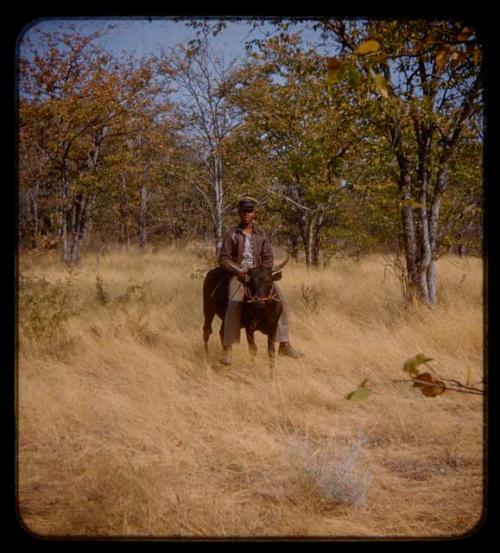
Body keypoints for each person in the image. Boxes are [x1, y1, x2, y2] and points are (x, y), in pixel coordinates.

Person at [218, 197, 303, 365]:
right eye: (244, 211)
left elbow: (268, 258)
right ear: (239, 213)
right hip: (240, 275)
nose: (247, 214)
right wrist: (239, 271)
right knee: (234, 303)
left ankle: (284, 343)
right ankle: (227, 348)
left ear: (254, 214)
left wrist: (263, 273)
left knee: (281, 301)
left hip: (259, 276)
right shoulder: (232, 234)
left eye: (250, 211)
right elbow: (224, 259)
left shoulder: (261, 235)